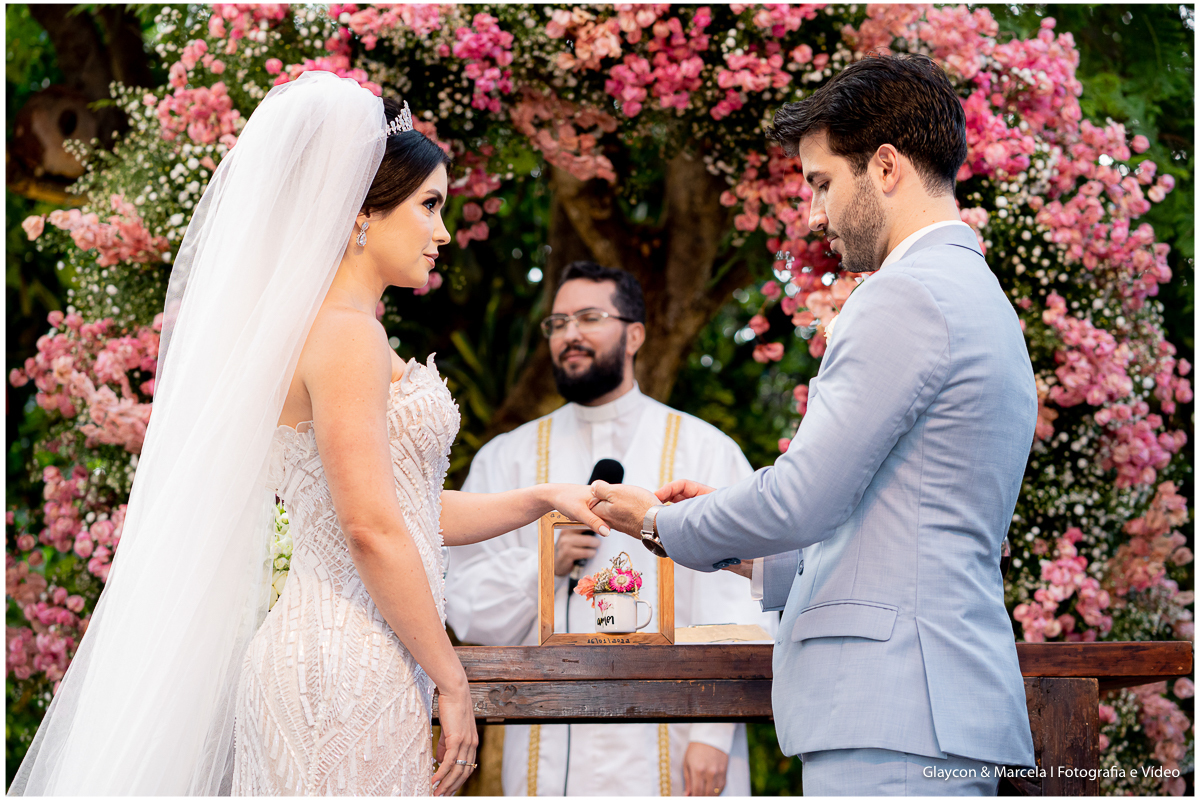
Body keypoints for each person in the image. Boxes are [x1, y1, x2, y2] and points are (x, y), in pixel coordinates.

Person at [10, 71, 606, 797]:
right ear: (362, 213)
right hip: (343, 663)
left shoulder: (339, 333)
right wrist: (453, 677)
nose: (443, 232)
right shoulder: (346, 337)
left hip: (349, 654)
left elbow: (404, 509)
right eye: (429, 206)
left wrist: (541, 497)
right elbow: (370, 528)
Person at [589, 54, 1038, 796]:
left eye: (823, 182)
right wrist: (745, 554)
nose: (816, 213)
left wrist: (662, 525)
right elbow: (903, 531)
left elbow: (803, 500)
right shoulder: (977, 294)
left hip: (893, 717)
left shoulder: (906, 296)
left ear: (886, 167)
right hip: (930, 706)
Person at [445, 261, 778, 797]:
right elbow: (466, 609)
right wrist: (541, 564)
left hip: (676, 738)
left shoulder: (703, 448)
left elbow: (736, 604)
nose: (569, 334)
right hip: (547, 746)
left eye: (589, 317)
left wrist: (714, 736)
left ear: (635, 334)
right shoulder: (505, 459)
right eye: (557, 323)